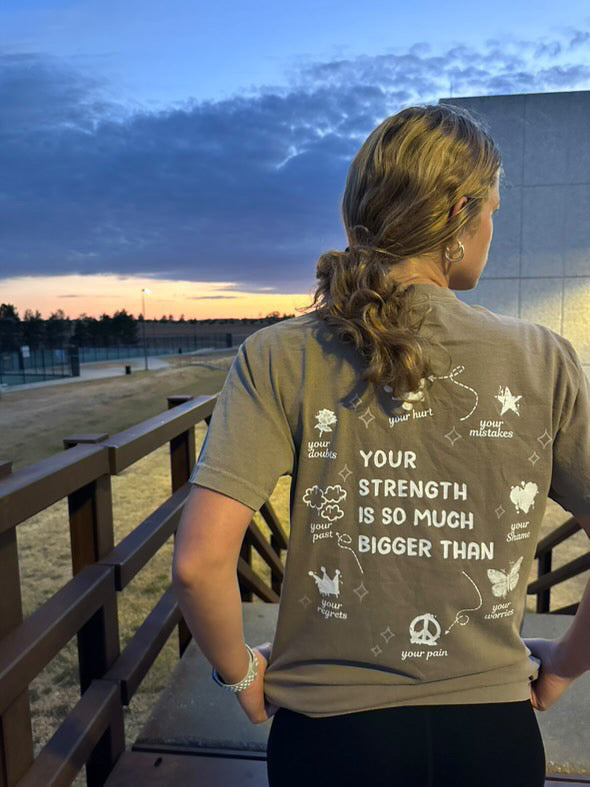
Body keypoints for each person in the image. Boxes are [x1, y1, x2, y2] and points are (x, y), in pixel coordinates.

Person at [172, 104, 590, 786]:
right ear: (461, 211)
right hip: (492, 738)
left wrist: (242, 673)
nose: (492, 227)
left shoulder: (277, 354)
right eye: (492, 209)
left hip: (326, 743)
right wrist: (566, 662)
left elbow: (197, 563)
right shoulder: (543, 359)